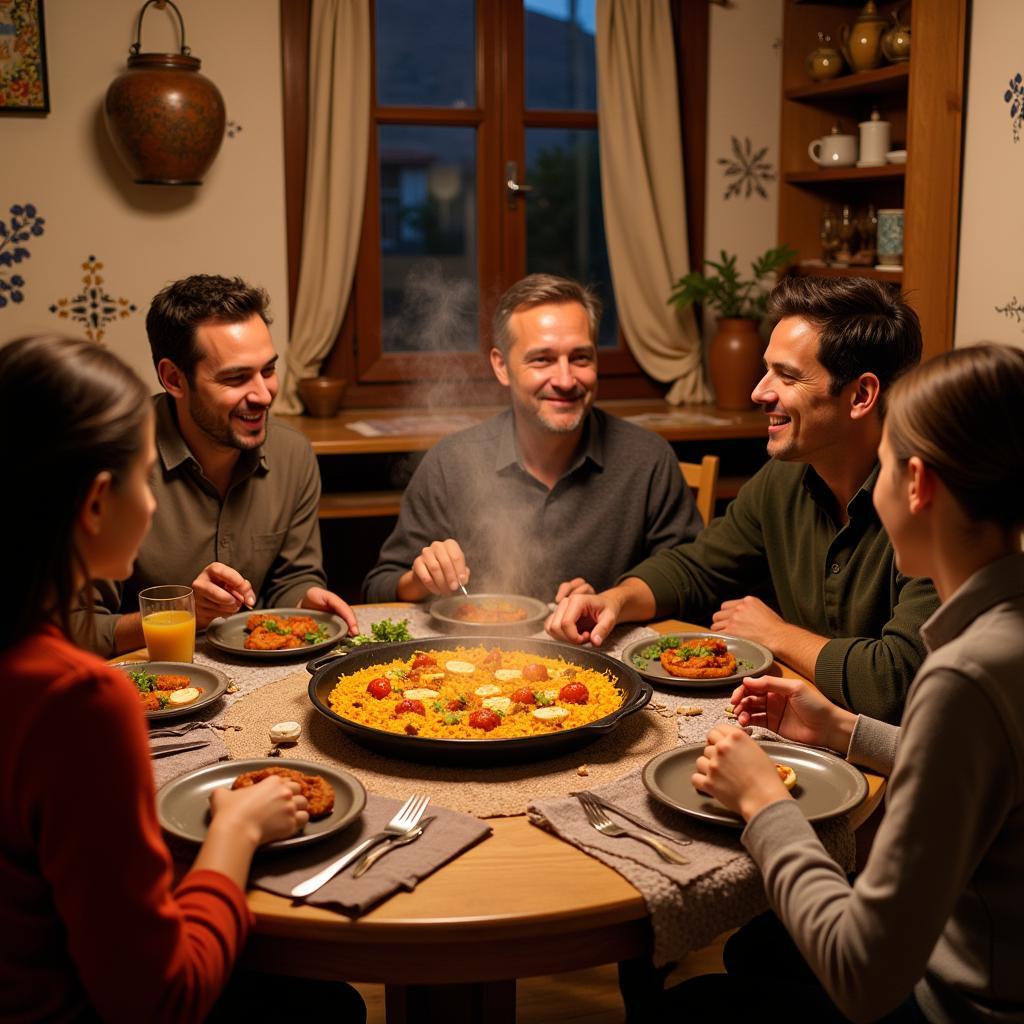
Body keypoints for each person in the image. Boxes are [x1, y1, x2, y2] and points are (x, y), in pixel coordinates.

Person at [0, 335, 366, 1022]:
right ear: (97, 503)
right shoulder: (77, 699)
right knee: (328, 1009)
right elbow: (159, 999)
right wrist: (238, 828)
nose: (155, 497)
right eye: (145, 477)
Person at [670, 343, 1024, 1022]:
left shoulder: (964, 677)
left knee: (687, 1008)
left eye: (884, 466)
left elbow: (862, 976)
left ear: (918, 485)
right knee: (762, 949)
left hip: (959, 1002)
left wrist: (762, 800)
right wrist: (842, 729)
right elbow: (988, 766)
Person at [548, 275, 939, 722]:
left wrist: (775, 634)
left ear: (861, 395)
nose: (759, 392)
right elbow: (698, 566)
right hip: (808, 725)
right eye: (766, 368)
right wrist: (616, 599)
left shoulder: (929, 501)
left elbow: (898, 681)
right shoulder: (784, 477)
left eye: (787, 376)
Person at [363, 274, 702, 604]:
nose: (566, 380)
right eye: (543, 359)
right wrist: (422, 580)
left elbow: (695, 583)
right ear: (501, 366)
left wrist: (616, 601)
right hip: (477, 657)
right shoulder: (451, 462)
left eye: (581, 357)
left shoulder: (647, 459)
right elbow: (378, 588)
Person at [79, 275, 358, 657]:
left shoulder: (292, 454)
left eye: (269, 370)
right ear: (174, 379)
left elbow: (290, 580)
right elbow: (77, 628)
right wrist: (181, 612)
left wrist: (305, 599)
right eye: (236, 377)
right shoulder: (113, 459)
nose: (263, 394)